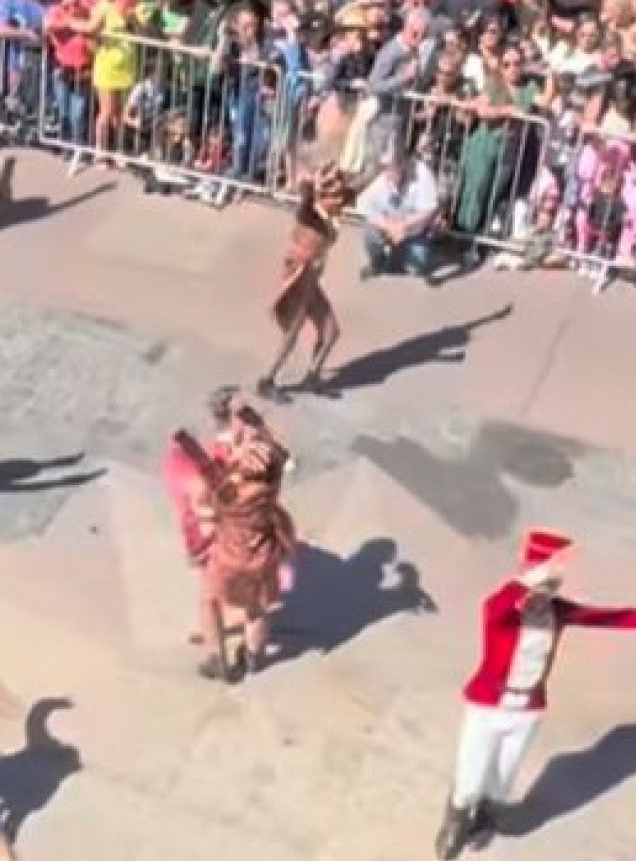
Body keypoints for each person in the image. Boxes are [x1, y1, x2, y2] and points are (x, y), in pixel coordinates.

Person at [435, 530, 636, 861]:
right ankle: (457, 820)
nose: (549, 592)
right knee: (472, 770)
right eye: (545, 582)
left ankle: (488, 816)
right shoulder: (501, 610)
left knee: (503, 775)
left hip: (526, 710)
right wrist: (543, 569)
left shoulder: (559, 612)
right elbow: (506, 597)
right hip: (487, 705)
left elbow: (613, 618)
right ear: (528, 576)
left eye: (555, 584)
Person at [165, 401, 298, 682]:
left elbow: (205, 469)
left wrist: (185, 441)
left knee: (209, 600)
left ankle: (217, 661)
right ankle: (253, 660)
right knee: (257, 610)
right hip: (263, 553)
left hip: (229, 556)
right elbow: (282, 457)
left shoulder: (228, 489)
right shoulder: (271, 479)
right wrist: (260, 431)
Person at [256, 163, 348, 398]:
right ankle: (267, 380)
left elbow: (354, 188)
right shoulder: (311, 214)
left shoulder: (330, 211)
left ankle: (312, 377)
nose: (340, 200)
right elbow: (306, 198)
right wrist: (308, 185)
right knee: (292, 332)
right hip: (299, 275)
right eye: (334, 195)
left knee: (331, 332)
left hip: (311, 278)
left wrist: (377, 167)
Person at [355, 140, 441, 278]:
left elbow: (429, 209)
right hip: (389, 227)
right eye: (385, 166)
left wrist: (404, 226)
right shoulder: (379, 180)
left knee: (418, 264)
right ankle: (377, 262)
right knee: (370, 234)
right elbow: (367, 210)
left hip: (416, 232)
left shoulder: (422, 173)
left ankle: (400, 255)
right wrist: (389, 227)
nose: (389, 171)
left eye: (393, 166)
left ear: (405, 162)